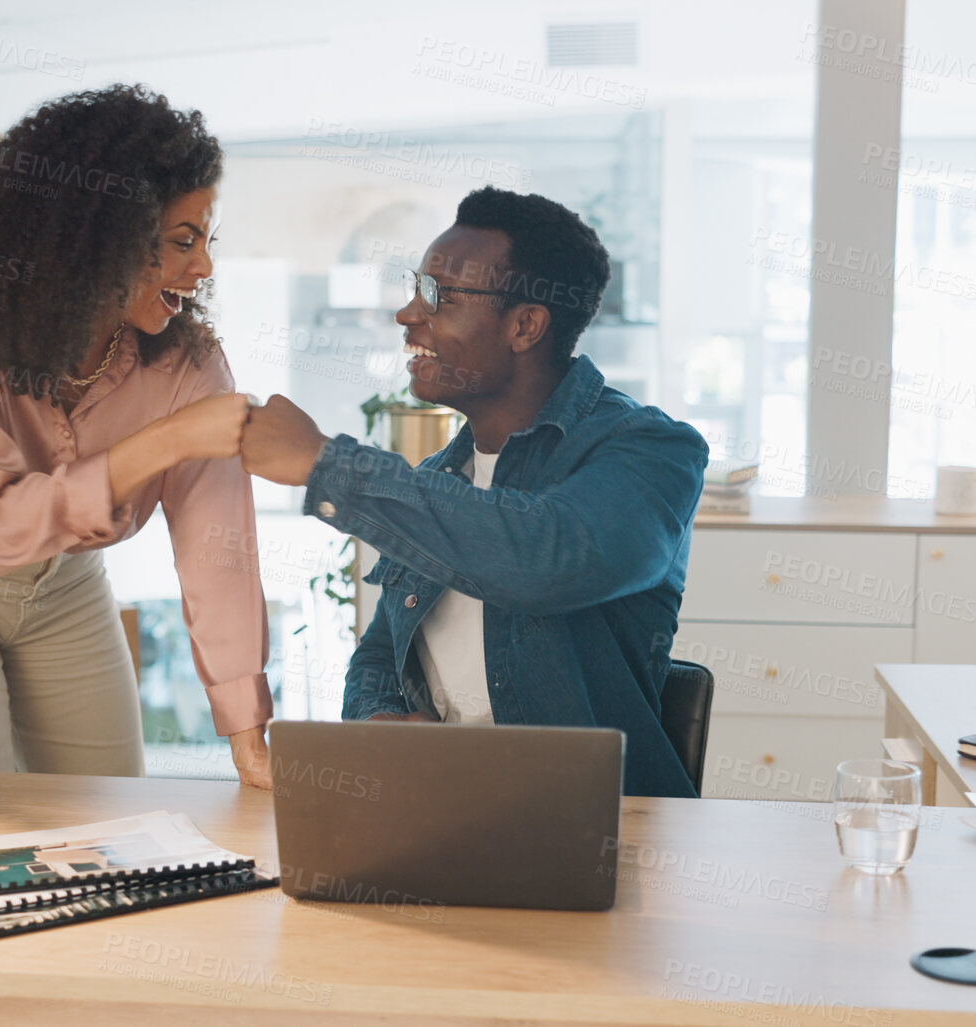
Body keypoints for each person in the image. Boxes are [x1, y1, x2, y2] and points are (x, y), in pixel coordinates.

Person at [0, 85, 270, 787]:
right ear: (96, 238)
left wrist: (245, 727)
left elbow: (217, 546)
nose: (202, 269)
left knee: (110, 809)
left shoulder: (191, 365)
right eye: (181, 241)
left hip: (67, 585)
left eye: (205, 240)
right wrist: (168, 441)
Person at [240, 186, 707, 797]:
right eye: (415, 288)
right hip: (445, 809)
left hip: (596, 826)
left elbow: (543, 558)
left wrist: (325, 464)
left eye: (437, 295)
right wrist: (380, 720)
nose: (408, 314)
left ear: (525, 325)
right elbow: (380, 653)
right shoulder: (439, 481)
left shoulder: (652, 451)